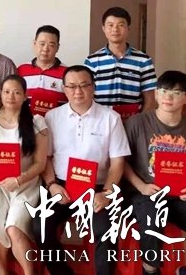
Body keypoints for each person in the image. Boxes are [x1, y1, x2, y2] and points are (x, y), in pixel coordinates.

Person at [34, 65, 130, 275]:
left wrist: (107, 193)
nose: (78, 91)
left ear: (93, 87)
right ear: (64, 89)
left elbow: (117, 162)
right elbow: (46, 158)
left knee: (106, 230)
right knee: (40, 225)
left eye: (84, 85)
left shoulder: (110, 118)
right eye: (72, 86)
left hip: (98, 188)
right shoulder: (52, 117)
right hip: (61, 186)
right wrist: (52, 185)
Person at [124, 70, 186, 275]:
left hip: (180, 197)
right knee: (151, 219)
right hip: (144, 194)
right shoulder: (137, 124)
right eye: (164, 91)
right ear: (156, 94)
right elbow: (122, 163)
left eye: (176, 92)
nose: (168, 97)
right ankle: (150, 270)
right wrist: (142, 186)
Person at [0, 75, 49, 275]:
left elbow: (41, 163)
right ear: (0, 94)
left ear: (25, 95)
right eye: (6, 92)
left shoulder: (37, 122)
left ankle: (29, 273)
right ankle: (3, 271)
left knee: (13, 226)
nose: (11, 96)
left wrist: (19, 180)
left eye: (17, 92)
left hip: (26, 185)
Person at [85, 7, 157, 114]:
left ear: (128, 28)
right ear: (103, 28)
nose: (115, 29)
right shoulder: (92, 61)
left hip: (133, 119)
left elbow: (150, 99)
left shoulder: (143, 60)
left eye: (121, 25)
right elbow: (86, 95)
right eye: (110, 25)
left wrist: (140, 121)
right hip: (101, 120)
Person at [17, 25, 67, 116]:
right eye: (42, 44)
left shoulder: (67, 73)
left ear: (57, 47)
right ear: (34, 43)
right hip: (26, 122)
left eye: (51, 45)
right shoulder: (21, 70)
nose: (45, 49)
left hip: (56, 123)